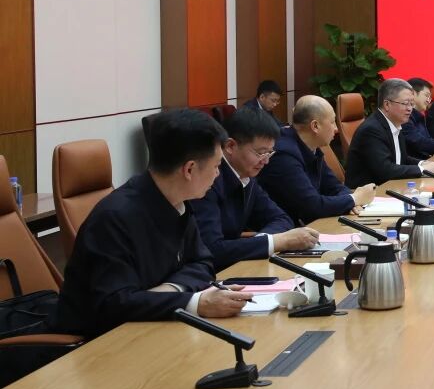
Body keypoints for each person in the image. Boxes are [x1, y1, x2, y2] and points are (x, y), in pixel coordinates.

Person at [55, 109, 253, 338]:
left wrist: (170, 290)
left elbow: (203, 262)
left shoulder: (177, 201)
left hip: (152, 328)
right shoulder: (114, 218)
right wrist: (195, 302)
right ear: (189, 169)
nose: (218, 174)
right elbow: (113, 304)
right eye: (216, 166)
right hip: (96, 343)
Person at [191, 107, 319, 270]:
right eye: (260, 153)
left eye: (269, 153)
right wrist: (277, 241)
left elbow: (280, 218)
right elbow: (211, 249)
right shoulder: (208, 181)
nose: (265, 161)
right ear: (230, 146)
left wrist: (262, 241)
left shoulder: (247, 176)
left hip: (237, 267)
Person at [257, 95, 377, 225]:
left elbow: (334, 186)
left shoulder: (311, 147)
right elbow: (312, 206)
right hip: (286, 230)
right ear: (315, 126)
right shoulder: (284, 155)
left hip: (308, 226)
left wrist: (352, 202)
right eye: (332, 122)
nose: (336, 129)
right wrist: (354, 199)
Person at [344, 79, 434, 188]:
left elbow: (401, 158)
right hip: (370, 193)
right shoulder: (372, 130)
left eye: (411, 104)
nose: (410, 109)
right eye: (405, 103)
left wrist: (423, 163)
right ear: (387, 104)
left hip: (390, 186)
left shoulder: (395, 124)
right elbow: (385, 170)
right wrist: (422, 169)